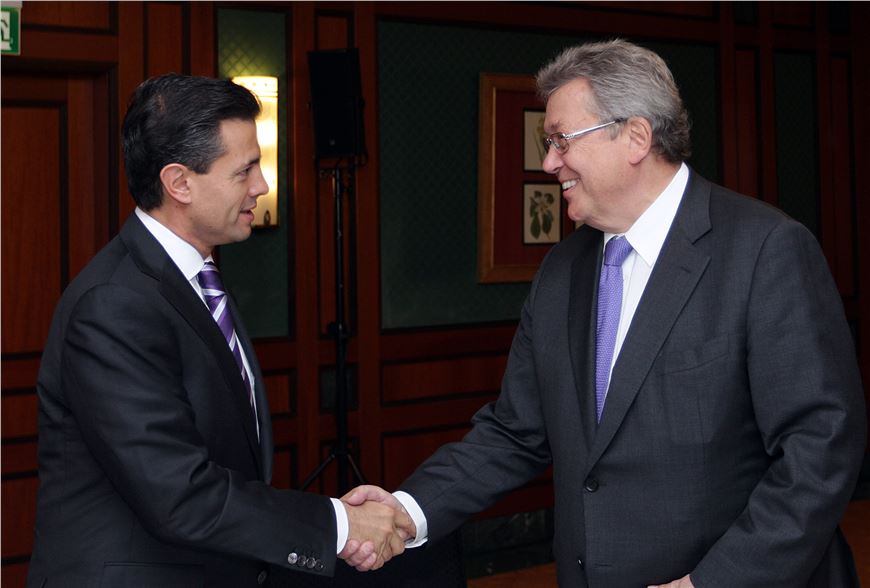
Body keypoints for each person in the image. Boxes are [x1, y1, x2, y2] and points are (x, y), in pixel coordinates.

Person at [343, 39, 867, 587]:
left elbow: (820, 448)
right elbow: (515, 431)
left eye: (560, 141)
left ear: (635, 137)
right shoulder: (561, 271)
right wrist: (408, 510)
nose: (549, 162)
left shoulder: (765, 250)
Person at [26, 73, 411, 588]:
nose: (262, 186)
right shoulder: (114, 305)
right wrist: (338, 524)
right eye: (245, 170)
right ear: (179, 182)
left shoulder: (192, 280)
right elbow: (179, 493)